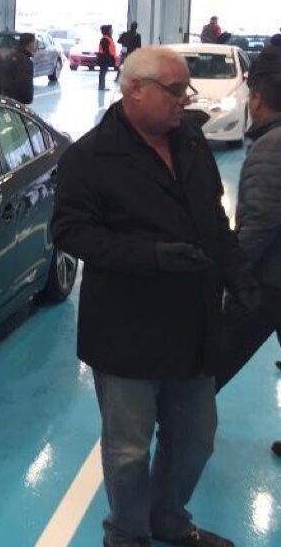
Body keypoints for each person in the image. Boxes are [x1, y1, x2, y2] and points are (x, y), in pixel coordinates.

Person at [52, 46, 258, 547]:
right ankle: (126, 534)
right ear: (135, 90)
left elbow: (214, 218)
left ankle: (169, 520)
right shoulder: (90, 157)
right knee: (128, 450)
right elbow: (71, 233)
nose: (184, 99)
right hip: (127, 329)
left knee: (195, 439)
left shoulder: (190, 140)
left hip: (194, 323)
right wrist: (153, 257)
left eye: (185, 89)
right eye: (175, 90)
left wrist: (241, 278)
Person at [229, 46, 281, 403]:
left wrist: (230, 273)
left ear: (257, 99)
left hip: (270, 280)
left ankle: (180, 425)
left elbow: (259, 222)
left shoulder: (271, 148)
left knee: (216, 358)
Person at [0, 32, 35, 104]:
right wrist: (26, 99)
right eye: (34, 43)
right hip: (18, 100)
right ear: (30, 44)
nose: (35, 45)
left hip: (6, 96)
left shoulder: (9, 56)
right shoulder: (25, 61)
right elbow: (23, 83)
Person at [97, 25, 117, 92]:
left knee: (103, 72)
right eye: (111, 30)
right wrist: (109, 58)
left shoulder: (107, 38)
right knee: (103, 72)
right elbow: (106, 51)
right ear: (107, 31)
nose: (112, 31)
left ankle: (102, 86)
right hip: (104, 58)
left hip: (104, 58)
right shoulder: (105, 39)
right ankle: (101, 87)